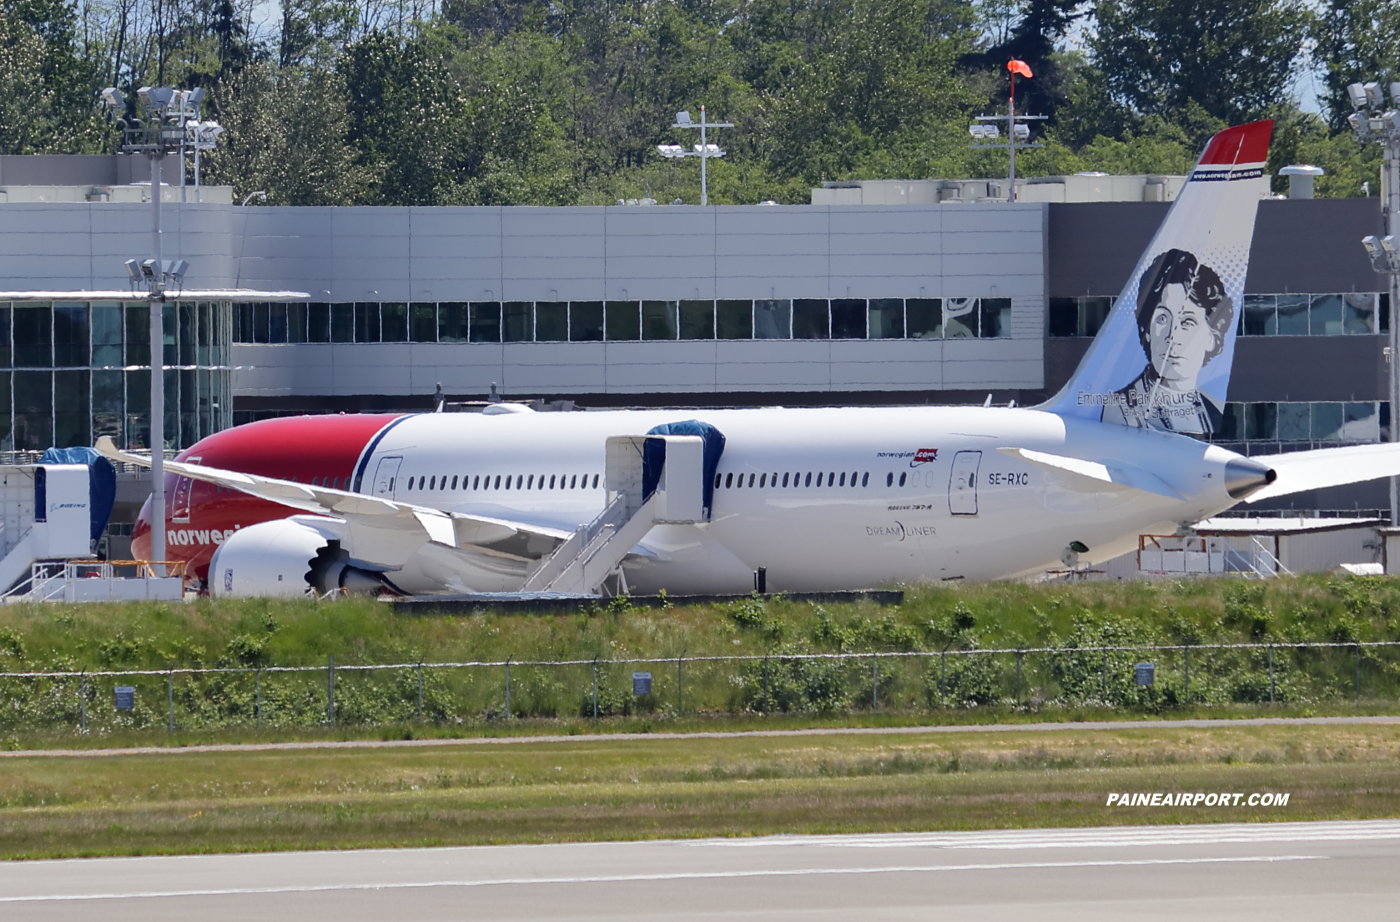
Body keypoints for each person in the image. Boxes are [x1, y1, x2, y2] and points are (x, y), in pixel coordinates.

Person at [1101, 248, 1234, 435]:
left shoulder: (1210, 411)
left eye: (1187, 322)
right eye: (1162, 319)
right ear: (1147, 331)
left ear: (1211, 338)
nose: (1172, 336)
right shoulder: (1121, 410)